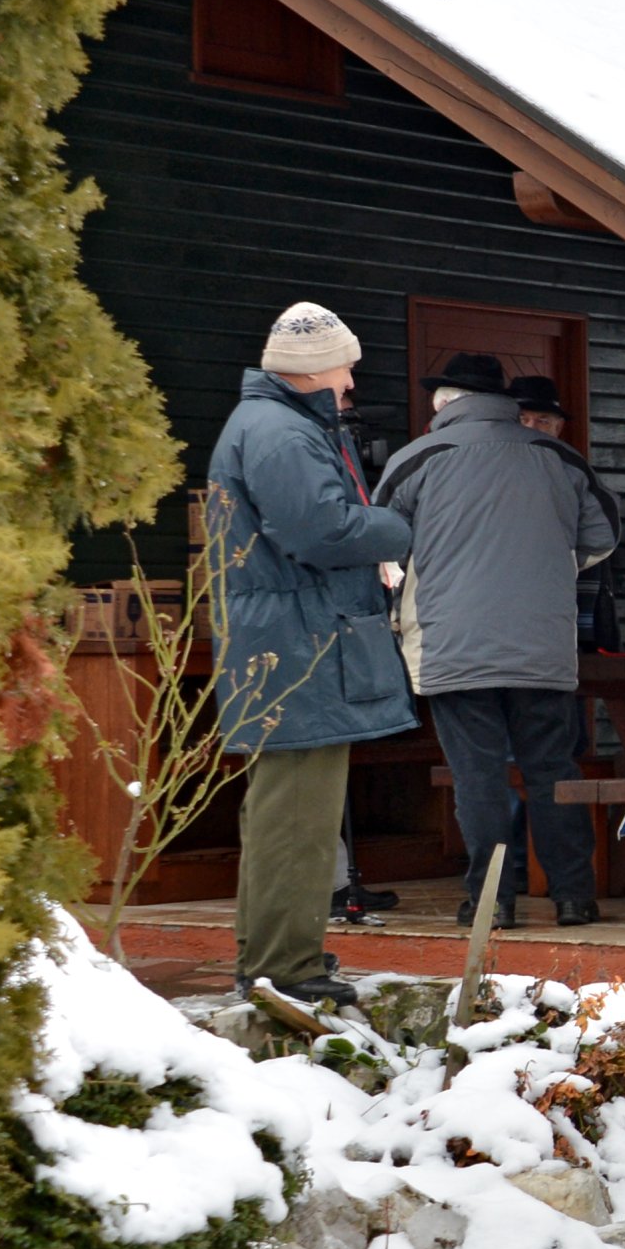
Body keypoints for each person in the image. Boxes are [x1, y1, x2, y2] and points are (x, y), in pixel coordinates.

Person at [206, 303, 416, 1005]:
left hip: (288, 639)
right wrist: (395, 527)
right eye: (347, 364)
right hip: (299, 647)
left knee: (284, 813)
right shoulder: (282, 435)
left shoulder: (269, 427)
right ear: (313, 369)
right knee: (296, 814)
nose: (353, 378)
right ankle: (284, 970)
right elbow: (321, 532)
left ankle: (274, 960)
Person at [376, 352, 620, 929]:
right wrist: (558, 569)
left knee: (478, 774)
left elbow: (380, 542)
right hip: (542, 643)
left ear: (444, 402)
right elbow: (603, 534)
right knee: (552, 768)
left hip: (451, 641)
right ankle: (573, 896)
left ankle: (493, 901)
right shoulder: (559, 458)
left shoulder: (417, 460)